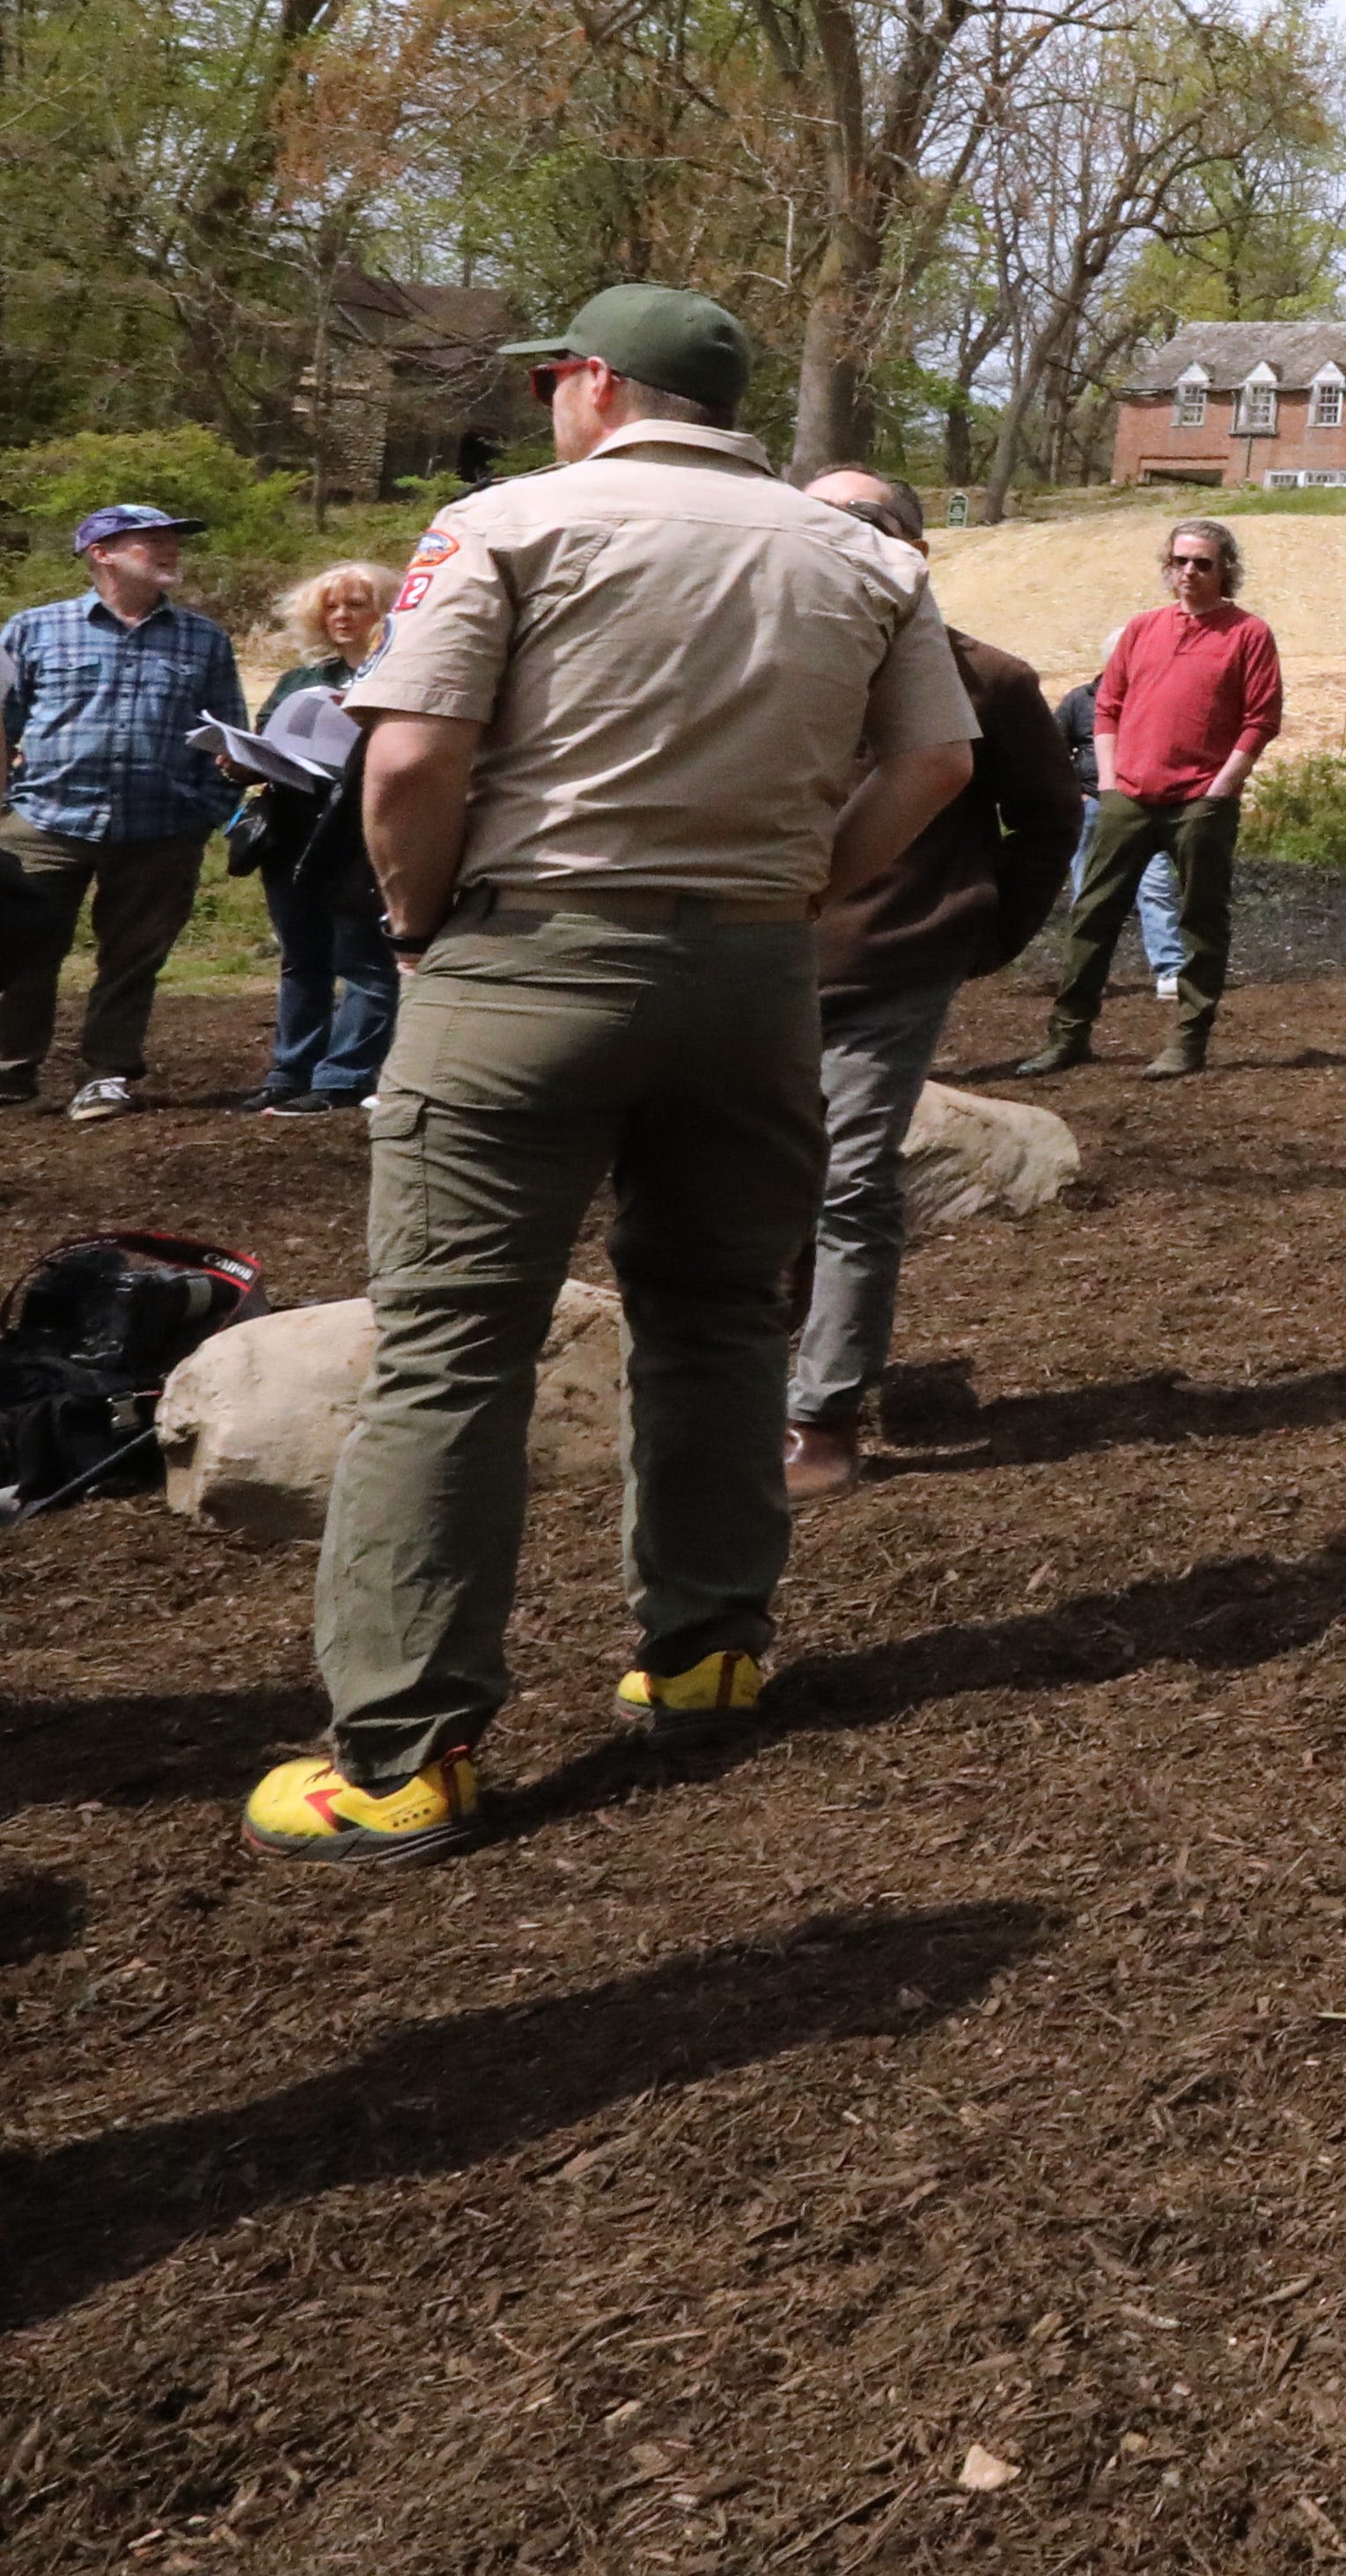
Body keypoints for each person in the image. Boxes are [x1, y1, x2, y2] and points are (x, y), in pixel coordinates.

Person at [239, 281, 976, 1865]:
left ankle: (403, 1754)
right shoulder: (859, 551)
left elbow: (415, 755)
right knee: (718, 1317)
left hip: (532, 957)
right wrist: (801, 893)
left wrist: (422, 918)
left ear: (590, 383)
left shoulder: (506, 523)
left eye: (545, 384)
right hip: (752, 978)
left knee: (449, 1351)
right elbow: (935, 761)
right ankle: (706, 1647)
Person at [788, 470, 1078, 1505]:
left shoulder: (986, 680)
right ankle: (753, 1372)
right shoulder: (752, 659)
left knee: (849, 1183)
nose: (848, 539)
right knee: (745, 1186)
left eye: (871, 523)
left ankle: (822, 1413)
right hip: (739, 963)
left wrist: (986, 931)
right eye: (824, 522)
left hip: (890, 968)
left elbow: (1048, 818)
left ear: (917, 548)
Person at [0, 500, 251, 1121]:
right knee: (19, 947)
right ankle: (10, 1071)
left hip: (162, 826)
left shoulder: (204, 638)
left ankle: (107, 1074)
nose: (169, 549)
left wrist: (209, 807)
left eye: (173, 540)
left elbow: (230, 733)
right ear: (101, 554)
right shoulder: (32, 629)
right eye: (151, 541)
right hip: (46, 820)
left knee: (133, 957)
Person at [1012, 519, 1277, 1080]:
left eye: (1202, 563)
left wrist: (1222, 785)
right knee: (1091, 915)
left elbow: (1261, 720)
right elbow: (1107, 706)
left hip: (1200, 801)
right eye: (1180, 561)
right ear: (1167, 566)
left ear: (1225, 569)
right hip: (1127, 796)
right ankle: (1069, 1035)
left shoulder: (1248, 634)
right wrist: (1109, 782)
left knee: (1200, 920)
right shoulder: (1141, 629)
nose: (1189, 572)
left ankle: (1188, 1041)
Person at [233, 562, 406, 1112]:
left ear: (385, 612)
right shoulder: (299, 681)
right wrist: (236, 762)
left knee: (363, 961)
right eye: (331, 606)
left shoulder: (401, 677)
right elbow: (264, 747)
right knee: (301, 958)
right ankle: (290, 1072)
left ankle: (343, 1077)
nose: (341, 616)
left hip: (362, 837)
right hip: (292, 833)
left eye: (356, 604)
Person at [1052, 673, 1188, 1001]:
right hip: (1093, 805)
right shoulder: (1079, 700)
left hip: (1143, 805)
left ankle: (1170, 970)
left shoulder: (1157, 698)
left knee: (1156, 885)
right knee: (1090, 891)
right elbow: (1053, 749)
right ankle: (1086, 975)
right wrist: (1075, 793)